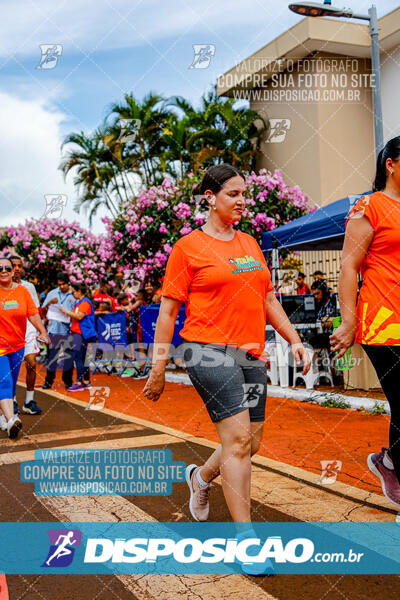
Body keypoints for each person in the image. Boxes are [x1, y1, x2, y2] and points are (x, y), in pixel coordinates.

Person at [142, 164, 310, 575]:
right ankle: (247, 544)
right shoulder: (188, 248)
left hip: (250, 355)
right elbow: (167, 313)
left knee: (249, 443)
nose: (241, 201)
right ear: (210, 197)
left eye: (243, 194)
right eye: (232, 194)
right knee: (236, 441)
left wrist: (294, 339)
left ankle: (200, 479)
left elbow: (267, 299)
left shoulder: (250, 244)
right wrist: (158, 367)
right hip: (206, 353)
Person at [331, 136, 400, 508]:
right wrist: (348, 321)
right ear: (390, 163)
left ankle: (389, 461)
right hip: (384, 321)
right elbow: (348, 266)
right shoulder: (369, 206)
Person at [0, 257, 49, 439]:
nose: (4, 270)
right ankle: (12, 420)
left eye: (8, 268)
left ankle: (2, 416)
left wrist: (42, 331)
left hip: (17, 345)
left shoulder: (23, 291)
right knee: (3, 380)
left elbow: (33, 314)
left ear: (13, 271)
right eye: (0, 268)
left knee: (11, 384)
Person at [10, 255, 42, 415]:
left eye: (19, 266)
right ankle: (12, 401)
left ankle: (29, 401)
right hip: (10, 331)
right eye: (13, 265)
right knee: (11, 368)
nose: (16, 269)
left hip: (28, 330)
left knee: (32, 363)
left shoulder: (29, 287)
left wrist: (41, 331)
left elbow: (35, 311)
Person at [41, 272, 76, 390]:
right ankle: (48, 381)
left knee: (68, 358)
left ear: (68, 283)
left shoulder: (74, 294)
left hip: (69, 331)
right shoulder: (53, 293)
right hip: (54, 330)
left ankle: (68, 382)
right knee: (52, 357)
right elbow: (43, 308)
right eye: (59, 284)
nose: (61, 287)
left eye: (63, 284)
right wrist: (50, 302)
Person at [60, 282, 97, 392]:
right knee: (84, 358)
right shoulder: (82, 302)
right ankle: (86, 381)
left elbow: (79, 316)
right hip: (83, 333)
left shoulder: (84, 302)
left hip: (81, 334)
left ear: (79, 291)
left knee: (79, 358)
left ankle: (79, 382)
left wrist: (65, 311)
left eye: (73, 292)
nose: (72, 294)